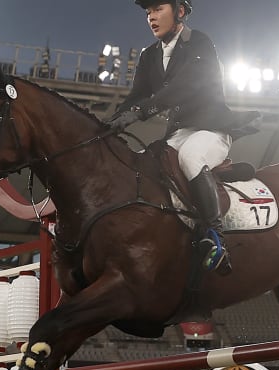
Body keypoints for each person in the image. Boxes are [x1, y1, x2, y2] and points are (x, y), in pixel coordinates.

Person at [107, 0, 257, 276]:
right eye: (148, 12)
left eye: (158, 9)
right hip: (177, 134)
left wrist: (140, 112)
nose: (151, 17)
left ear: (180, 11)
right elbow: (136, 96)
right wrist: (109, 123)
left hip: (211, 130)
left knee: (191, 157)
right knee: (146, 164)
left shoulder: (199, 41)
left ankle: (216, 238)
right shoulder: (149, 55)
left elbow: (185, 86)